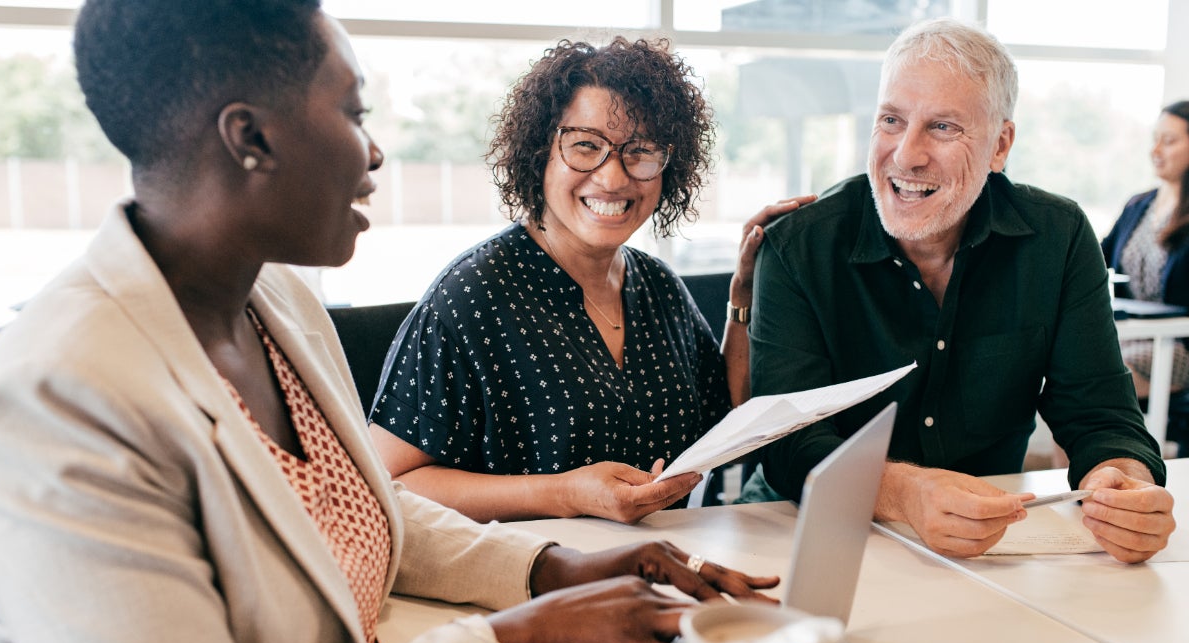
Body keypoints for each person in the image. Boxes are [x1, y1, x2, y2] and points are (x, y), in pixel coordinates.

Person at [0, 3, 782, 643]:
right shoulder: (62, 390)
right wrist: (526, 640)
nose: (374, 153)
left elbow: (370, 509)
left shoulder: (276, 299)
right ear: (250, 137)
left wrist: (558, 572)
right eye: (353, 113)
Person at [739, 17, 1176, 564]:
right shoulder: (798, 247)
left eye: (943, 127)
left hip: (986, 538)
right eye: (892, 120)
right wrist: (904, 493)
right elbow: (789, 442)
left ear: (1000, 145)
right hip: (807, 522)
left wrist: (1123, 483)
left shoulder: (1058, 237)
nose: (906, 155)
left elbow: (1100, 415)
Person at [368, 36, 812, 524]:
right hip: (529, 581)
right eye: (586, 145)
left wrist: (743, 295)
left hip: (659, 568)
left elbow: (726, 414)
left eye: (640, 151)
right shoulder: (472, 297)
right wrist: (564, 494)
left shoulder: (657, 286)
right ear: (540, 153)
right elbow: (391, 483)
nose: (614, 178)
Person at [1102, 101, 1189, 398]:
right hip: (1131, 334)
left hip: (1178, 344)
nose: (1156, 151)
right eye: (1155, 140)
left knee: (1103, 379)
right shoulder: (1138, 205)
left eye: (1169, 141)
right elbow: (1094, 259)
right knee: (1068, 373)